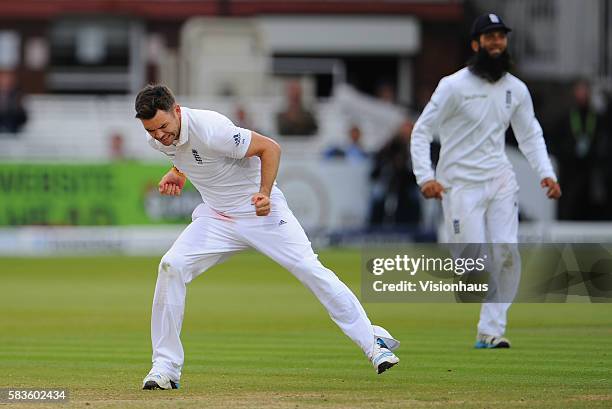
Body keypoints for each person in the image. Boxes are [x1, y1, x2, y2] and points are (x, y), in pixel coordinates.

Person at [134, 84, 400, 390]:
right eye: (152, 131)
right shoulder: (157, 137)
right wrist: (177, 172)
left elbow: (270, 148)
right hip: (217, 217)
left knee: (309, 269)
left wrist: (263, 193)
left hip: (260, 212)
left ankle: (373, 344)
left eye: (163, 127)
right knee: (171, 266)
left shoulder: (212, 129)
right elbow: (188, 155)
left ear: (177, 111)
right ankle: (165, 367)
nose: (159, 135)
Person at [411, 14, 561, 349]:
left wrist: (546, 173)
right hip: (459, 184)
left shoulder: (516, 89)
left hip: (499, 179)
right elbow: (421, 131)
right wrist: (426, 177)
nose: (496, 43)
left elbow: (530, 134)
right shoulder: (453, 86)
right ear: (476, 44)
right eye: (489, 37)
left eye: (501, 37)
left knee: (507, 252)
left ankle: (491, 330)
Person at [553, 79, 609, 220]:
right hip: (571, 173)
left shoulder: (597, 119)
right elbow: (558, 144)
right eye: (579, 91)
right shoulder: (566, 118)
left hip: (591, 172)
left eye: (584, 91)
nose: (582, 95)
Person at [369, 120, 420, 229]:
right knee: (378, 195)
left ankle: (413, 227)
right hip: (389, 180)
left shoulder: (416, 146)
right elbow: (380, 161)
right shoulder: (392, 144)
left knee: (414, 197)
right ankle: (374, 228)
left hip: (409, 182)